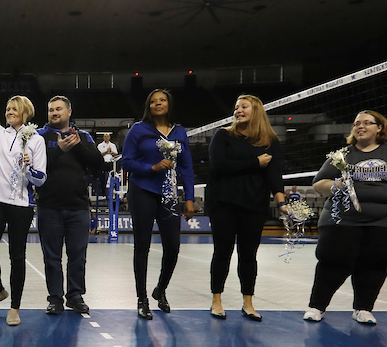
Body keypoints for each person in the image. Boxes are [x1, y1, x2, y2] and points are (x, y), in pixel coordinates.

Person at [304, 110, 387, 325]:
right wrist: (336, 185)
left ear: (379, 127)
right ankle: (317, 307)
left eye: (367, 123)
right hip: (341, 220)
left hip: (383, 221)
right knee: (332, 262)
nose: (360, 126)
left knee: (375, 264)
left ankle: (363, 308)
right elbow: (318, 183)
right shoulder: (341, 155)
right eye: (356, 124)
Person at [0, 48, 47, 326]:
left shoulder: (36, 140)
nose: (8, 112)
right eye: (6, 109)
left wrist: (30, 166)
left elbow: (40, 179)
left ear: (25, 112)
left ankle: (14, 307)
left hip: (21, 205)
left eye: (13, 109)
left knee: (17, 256)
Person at [205, 95, 287, 321]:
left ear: (256, 111)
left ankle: (248, 302)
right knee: (222, 252)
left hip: (254, 204)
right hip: (223, 203)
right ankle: (216, 300)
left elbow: (274, 174)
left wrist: (282, 203)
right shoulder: (223, 135)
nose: (238, 110)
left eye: (243, 107)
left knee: (249, 255)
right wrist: (254, 163)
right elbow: (219, 165)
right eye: (236, 107)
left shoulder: (270, 141)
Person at [120, 89, 196, 319]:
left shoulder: (180, 132)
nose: (157, 104)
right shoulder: (138, 130)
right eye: (153, 101)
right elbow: (126, 161)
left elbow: (187, 167)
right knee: (142, 246)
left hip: (169, 194)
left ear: (169, 104)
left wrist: (189, 198)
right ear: (148, 107)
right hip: (142, 190)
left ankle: (160, 289)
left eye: (162, 100)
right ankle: (141, 299)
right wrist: (151, 168)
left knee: (172, 247)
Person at [36, 96, 105, 315]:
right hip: (49, 206)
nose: (54, 113)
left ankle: (75, 296)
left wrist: (76, 148)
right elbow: (35, 166)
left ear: (69, 112)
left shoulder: (82, 136)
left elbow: (98, 164)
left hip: (78, 207)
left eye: (58, 109)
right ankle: (55, 298)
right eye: (50, 110)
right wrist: (59, 150)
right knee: (52, 256)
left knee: (77, 255)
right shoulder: (39, 136)